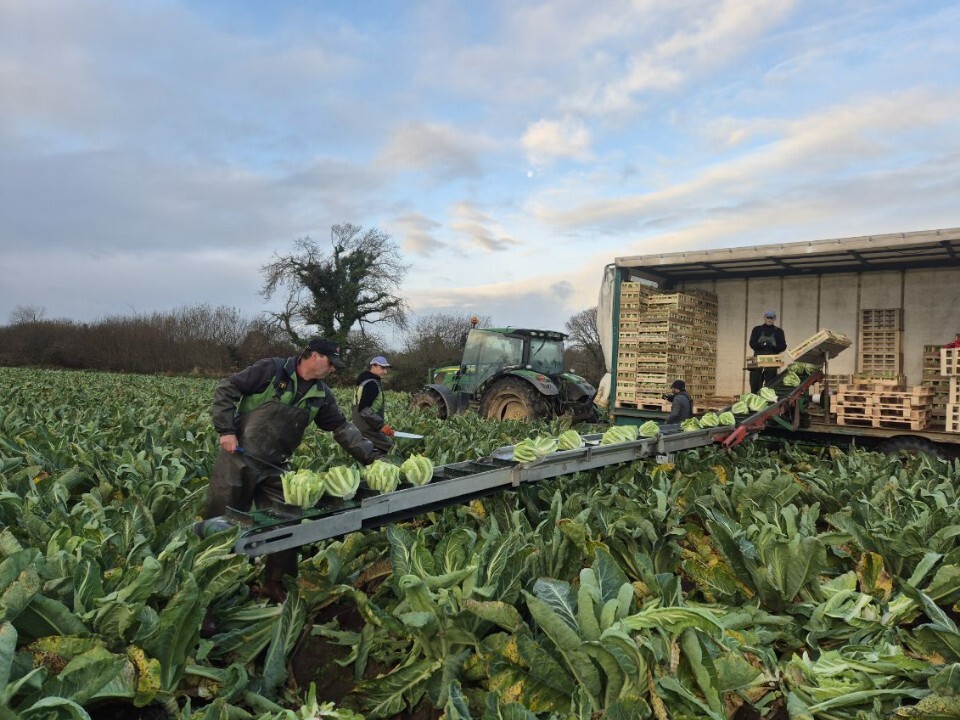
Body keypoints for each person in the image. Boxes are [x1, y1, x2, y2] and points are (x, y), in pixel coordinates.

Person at [205, 338, 381, 603]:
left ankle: (275, 583)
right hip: (238, 459)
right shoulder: (271, 371)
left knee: (289, 519)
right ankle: (206, 598)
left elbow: (342, 429)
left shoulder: (321, 395)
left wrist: (373, 458)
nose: (333, 370)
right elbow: (227, 388)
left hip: (276, 465)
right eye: (331, 363)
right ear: (313, 355)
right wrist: (226, 430)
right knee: (220, 526)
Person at [353, 355, 395, 453]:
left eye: (386, 368)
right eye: (382, 368)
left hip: (361, 426)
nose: (385, 371)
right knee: (391, 449)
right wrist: (381, 426)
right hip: (368, 428)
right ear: (374, 366)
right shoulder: (371, 384)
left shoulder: (363, 382)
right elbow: (363, 409)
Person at [748, 310, 787, 393]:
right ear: (764, 318)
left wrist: (773, 347)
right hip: (757, 361)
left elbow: (783, 346)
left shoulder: (779, 331)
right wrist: (762, 345)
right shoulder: (757, 329)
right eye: (768, 317)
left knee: (770, 386)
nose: (770, 319)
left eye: (772, 318)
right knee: (755, 384)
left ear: (775, 319)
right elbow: (752, 344)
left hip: (772, 362)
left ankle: (768, 403)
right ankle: (755, 400)